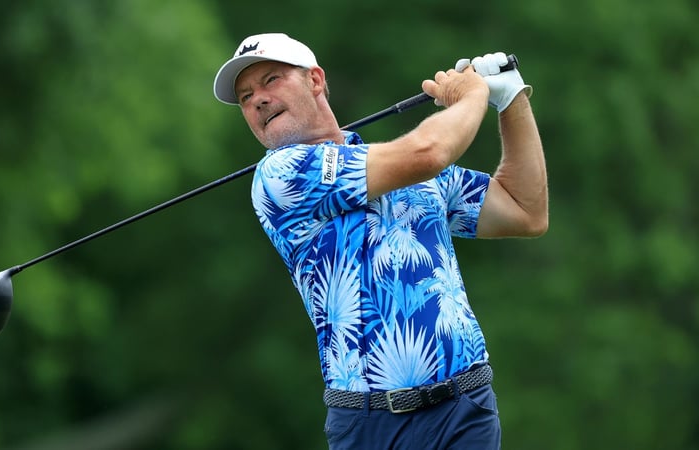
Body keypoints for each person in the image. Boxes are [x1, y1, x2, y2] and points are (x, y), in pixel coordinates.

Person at [213, 33, 547, 450]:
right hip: (371, 424)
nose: (258, 99)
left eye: (271, 80)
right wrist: (472, 95)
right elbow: (429, 151)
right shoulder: (282, 174)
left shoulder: (399, 165)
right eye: (245, 96)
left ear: (315, 81)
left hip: (466, 406)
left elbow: (525, 209)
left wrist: (512, 100)